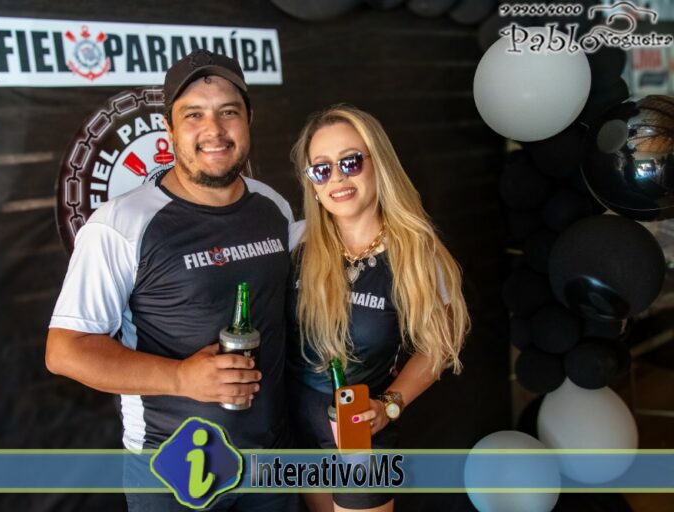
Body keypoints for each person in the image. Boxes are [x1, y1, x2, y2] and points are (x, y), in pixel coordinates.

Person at [46, 49, 295, 511]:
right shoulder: (122, 223)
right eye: (193, 115)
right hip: (174, 471)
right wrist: (181, 377)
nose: (213, 130)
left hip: (270, 465)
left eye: (228, 112)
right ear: (169, 129)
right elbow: (65, 350)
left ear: (249, 120)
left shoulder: (273, 207)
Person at [286, 104, 469, 512]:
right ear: (312, 184)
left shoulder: (417, 253)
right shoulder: (296, 241)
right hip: (296, 426)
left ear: (378, 163)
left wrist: (390, 404)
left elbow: (441, 345)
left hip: (359, 433)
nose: (337, 178)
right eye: (321, 169)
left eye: (350, 162)